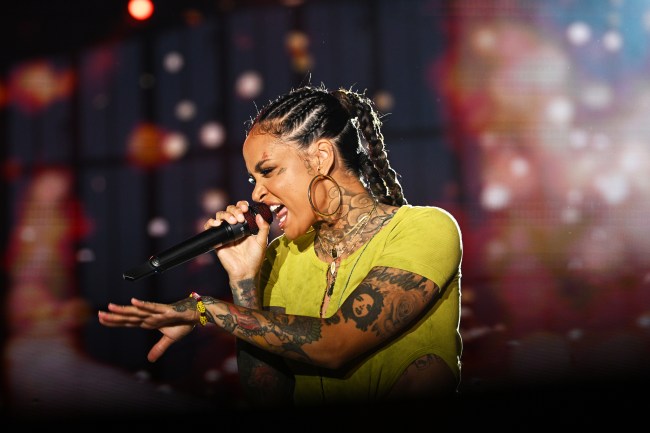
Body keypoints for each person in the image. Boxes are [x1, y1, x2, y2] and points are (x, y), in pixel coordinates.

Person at [98, 83, 463, 411]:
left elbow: (336, 344)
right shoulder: (281, 255)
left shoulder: (424, 229)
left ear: (321, 157)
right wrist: (244, 280)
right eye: (253, 179)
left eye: (269, 171)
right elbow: (268, 396)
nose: (257, 193)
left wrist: (206, 310)